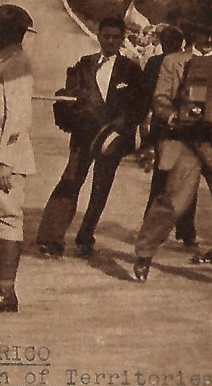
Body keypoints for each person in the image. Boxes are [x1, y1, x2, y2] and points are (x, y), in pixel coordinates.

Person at [131, 5, 212, 291]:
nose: (208, 39)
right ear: (193, 33)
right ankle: (145, 253)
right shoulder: (173, 61)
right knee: (173, 202)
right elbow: (160, 97)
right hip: (184, 142)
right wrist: (172, 116)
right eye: (203, 33)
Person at [36, 13, 147, 257]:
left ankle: (86, 234)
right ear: (98, 36)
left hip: (113, 138)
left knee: (101, 187)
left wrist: (122, 127)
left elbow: (139, 105)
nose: (110, 41)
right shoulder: (83, 64)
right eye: (106, 36)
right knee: (71, 180)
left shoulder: (130, 70)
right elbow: (70, 95)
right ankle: (51, 238)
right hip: (84, 134)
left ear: (122, 39)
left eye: (116, 38)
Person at [0, 4, 36, 314]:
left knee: (8, 219)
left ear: (11, 31)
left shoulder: (18, 65)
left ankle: (5, 291)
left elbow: (19, 116)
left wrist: (5, 161)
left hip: (5, 153)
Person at [137, 23, 198, 249]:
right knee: (180, 179)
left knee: (164, 180)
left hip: (163, 124)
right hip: (168, 124)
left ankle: (156, 226)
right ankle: (185, 230)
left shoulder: (157, 63)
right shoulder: (171, 63)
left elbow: (145, 95)